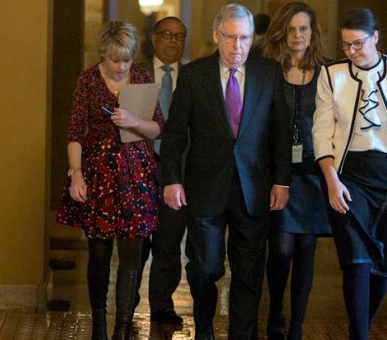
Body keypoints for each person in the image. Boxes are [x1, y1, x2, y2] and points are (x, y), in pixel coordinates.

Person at [160, 3, 291, 339]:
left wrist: (281, 180)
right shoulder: (194, 75)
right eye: (231, 38)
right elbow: (175, 134)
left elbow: (280, 133)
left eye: (245, 38)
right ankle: (204, 328)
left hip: (254, 187)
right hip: (205, 187)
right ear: (216, 36)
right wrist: (172, 178)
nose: (238, 46)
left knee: (248, 272)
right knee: (205, 268)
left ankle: (241, 335)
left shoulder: (269, 73)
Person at [311, 8, 387, 340]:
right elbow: (320, 133)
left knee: (384, 269)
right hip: (348, 178)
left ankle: (360, 330)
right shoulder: (331, 74)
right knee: (357, 261)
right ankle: (358, 335)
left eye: (358, 44)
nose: (351, 52)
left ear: (375, 37)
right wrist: (331, 181)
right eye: (346, 45)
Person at [55, 21, 163, 340]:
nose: (121, 66)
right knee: (99, 254)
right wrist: (76, 173)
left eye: (126, 59)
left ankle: (122, 327)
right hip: (98, 172)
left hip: (136, 173)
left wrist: (133, 121)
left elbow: (158, 128)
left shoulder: (142, 78)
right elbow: (75, 133)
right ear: (104, 53)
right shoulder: (88, 79)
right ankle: (99, 325)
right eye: (115, 59)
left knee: (133, 253)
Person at [261, 2, 330, 340]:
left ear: (312, 32)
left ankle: (297, 326)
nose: (298, 35)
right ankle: (276, 309)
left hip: (314, 176)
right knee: (281, 250)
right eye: (292, 29)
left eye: (303, 29)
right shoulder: (269, 71)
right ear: (282, 33)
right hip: (280, 175)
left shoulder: (329, 73)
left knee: (305, 252)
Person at [136, 16, 188, 326]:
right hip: (142, 166)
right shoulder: (137, 73)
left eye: (179, 36)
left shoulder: (195, 75)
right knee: (138, 241)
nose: (172, 40)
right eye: (166, 34)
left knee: (169, 242)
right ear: (154, 38)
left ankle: (161, 305)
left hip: (178, 170)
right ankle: (128, 301)